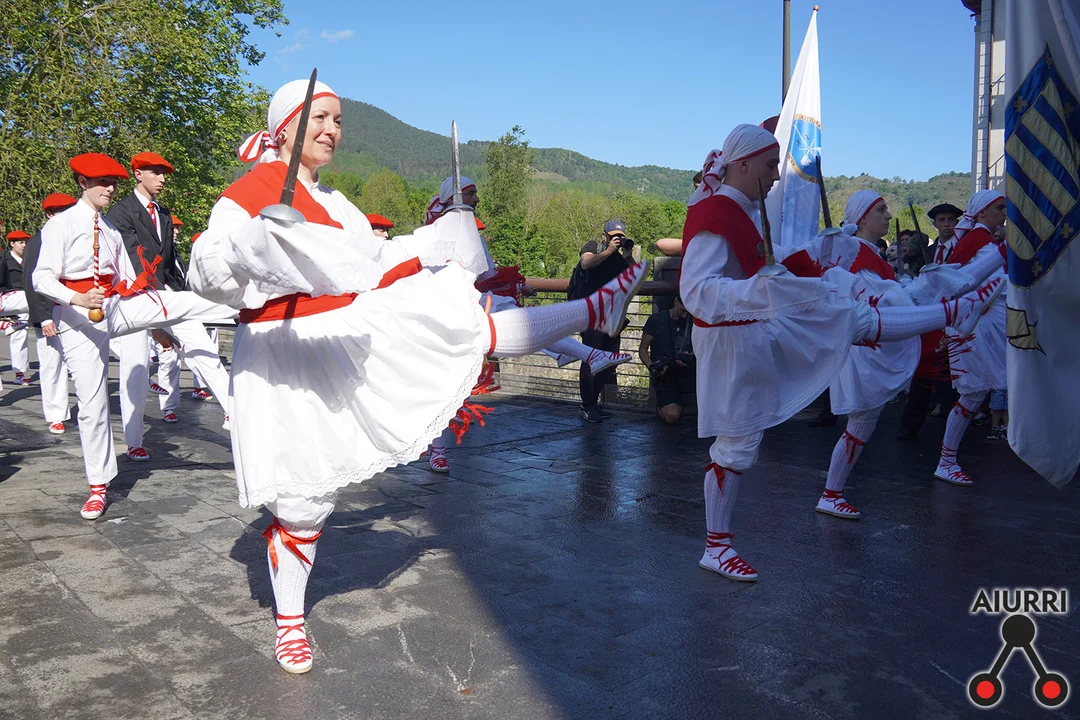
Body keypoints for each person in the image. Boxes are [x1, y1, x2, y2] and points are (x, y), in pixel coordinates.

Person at [188, 78, 648, 673]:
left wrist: (434, 241)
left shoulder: (334, 202)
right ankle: (290, 621)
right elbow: (204, 272)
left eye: (337, 120)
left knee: (463, 326)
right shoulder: (248, 192)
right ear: (285, 128)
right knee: (303, 502)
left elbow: (372, 258)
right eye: (319, 118)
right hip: (284, 349)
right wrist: (251, 240)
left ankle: (593, 312)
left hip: (341, 332)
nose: (331, 130)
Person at [680, 125, 1002, 582]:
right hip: (733, 339)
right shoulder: (720, 212)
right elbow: (698, 293)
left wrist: (809, 258)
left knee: (846, 321)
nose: (776, 175)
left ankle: (720, 543)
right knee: (737, 443)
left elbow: (770, 260)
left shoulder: (739, 211)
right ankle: (716, 546)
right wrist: (772, 290)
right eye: (771, 165)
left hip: (747, 333)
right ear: (744, 164)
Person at [34, 152, 237, 521]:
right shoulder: (59, 225)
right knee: (93, 403)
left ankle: (253, 305)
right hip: (77, 318)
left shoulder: (110, 229)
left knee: (178, 302)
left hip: (115, 306)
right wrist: (77, 298)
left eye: (113, 183)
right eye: (103, 182)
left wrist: (154, 320)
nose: (110, 189)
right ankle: (98, 486)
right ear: (83, 183)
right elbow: (41, 278)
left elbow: (128, 280)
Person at [791, 190, 1000, 519]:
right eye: (881, 209)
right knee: (860, 425)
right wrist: (920, 290)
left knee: (861, 426)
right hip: (868, 350)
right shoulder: (857, 255)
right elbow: (880, 306)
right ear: (862, 217)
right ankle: (830, 494)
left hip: (872, 347)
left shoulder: (867, 253)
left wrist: (918, 286)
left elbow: (891, 299)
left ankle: (831, 494)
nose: (889, 215)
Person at [106, 152, 231, 433]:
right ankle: (134, 440)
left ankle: (234, 412)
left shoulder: (163, 214)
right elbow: (131, 262)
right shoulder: (120, 213)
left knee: (204, 350)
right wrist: (156, 325)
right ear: (138, 174)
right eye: (156, 172)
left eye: (164, 174)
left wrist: (181, 294)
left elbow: (168, 263)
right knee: (136, 370)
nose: (162, 179)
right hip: (135, 298)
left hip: (167, 295)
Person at [933, 190, 1009, 486]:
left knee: (975, 396)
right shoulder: (979, 241)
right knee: (972, 395)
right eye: (1000, 208)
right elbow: (978, 286)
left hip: (984, 327)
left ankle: (947, 460)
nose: (1004, 213)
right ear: (981, 213)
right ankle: (946, 461)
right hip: (978, 328)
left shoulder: (981, 240)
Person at [22, 194, 78, 433]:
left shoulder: (75, 237)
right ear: (49, 215)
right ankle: (56, 414)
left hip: (74, 307)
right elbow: (31, 283)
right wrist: (44, 318)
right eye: (60, 212)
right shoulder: (38, 242)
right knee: (52, 364)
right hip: (50, 310)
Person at [571, 219, 632, 422]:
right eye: (614, 236)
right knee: (591, 359)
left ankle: (593, 402)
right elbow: (586, 262)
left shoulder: (619, 259)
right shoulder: (593, 247)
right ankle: (588, 405)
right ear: (604, 236)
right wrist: (609, 251)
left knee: (610, 360)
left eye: (621, 237)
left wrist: (628, 256)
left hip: (612, 316)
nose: (617, 240)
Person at [639, 295, 694, 424]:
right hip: (666, 376)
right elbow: (643, 349)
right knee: (671, 416)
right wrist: (652, 367)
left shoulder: (694, 321)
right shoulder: (656, 320)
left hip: (690, 372)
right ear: (675, 302)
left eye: (688, 312)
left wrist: (691, 356)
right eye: (682, 311)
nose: (685, 315)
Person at [1, 231, 32, 385]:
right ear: (12, 244)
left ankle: (19, 372)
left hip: (25, 303)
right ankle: (4, 323)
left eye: (26, 242)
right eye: (20, 242)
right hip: (9, 298)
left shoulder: (30, 259)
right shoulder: (5, 260)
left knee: (20, 333)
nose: (24, 245)